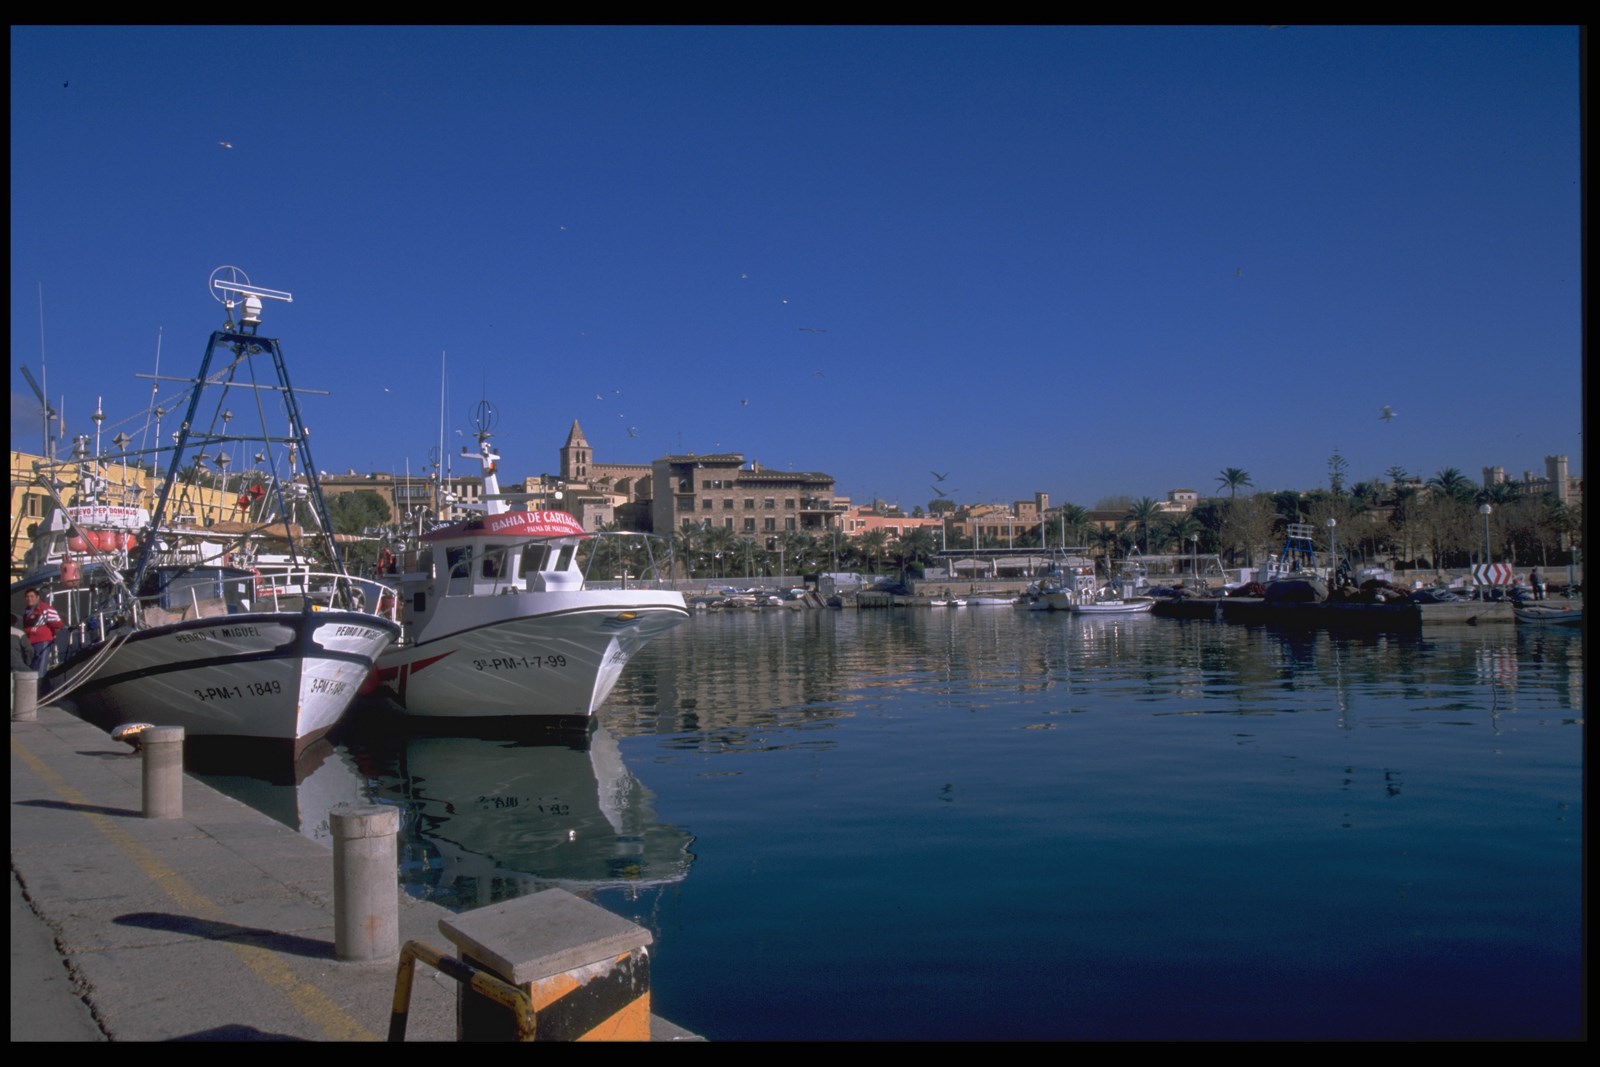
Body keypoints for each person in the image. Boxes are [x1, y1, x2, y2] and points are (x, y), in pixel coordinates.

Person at [21, 588, 63, 675]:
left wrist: (49, 636)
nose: (29, 599)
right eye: (27, 597)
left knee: (41, 667)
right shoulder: (27, 610)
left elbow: (58, 624)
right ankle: (39, 685)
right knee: (32, 666)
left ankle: (40, 685)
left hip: (42, 642)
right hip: (30, 643)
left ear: (37, 597)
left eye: (32, 596)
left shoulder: (45, 608)